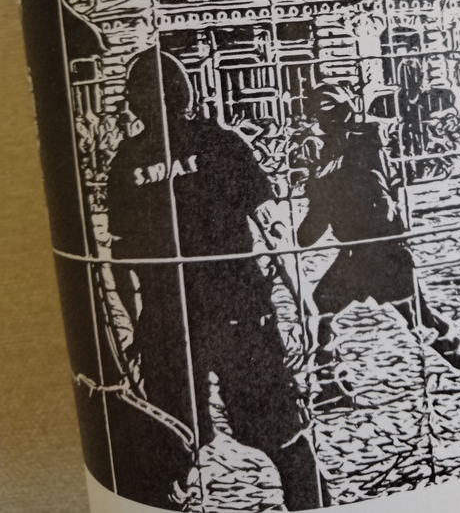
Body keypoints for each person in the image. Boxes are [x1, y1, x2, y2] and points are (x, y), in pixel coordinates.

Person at [107, 46, 320, 511]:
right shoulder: (222, 142)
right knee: (279, 431)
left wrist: (136, 329)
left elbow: (122, 264)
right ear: (185, 93)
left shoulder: (125, 161)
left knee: (171, 439)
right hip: (238, 307)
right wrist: (304, 299)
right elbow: (273, 227)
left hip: (169, 319)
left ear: (135, 100)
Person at [297, 85, 460, 396]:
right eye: (319, 117)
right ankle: (333, 386)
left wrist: (325, 199)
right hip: (356, 255)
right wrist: (309, 220)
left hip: (383, 253)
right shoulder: (336, 157)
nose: (323, 126)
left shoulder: (364, 149)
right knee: (322, 306)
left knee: (419, 319)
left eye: (327, 117)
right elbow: (316, 221)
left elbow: (378, 204)